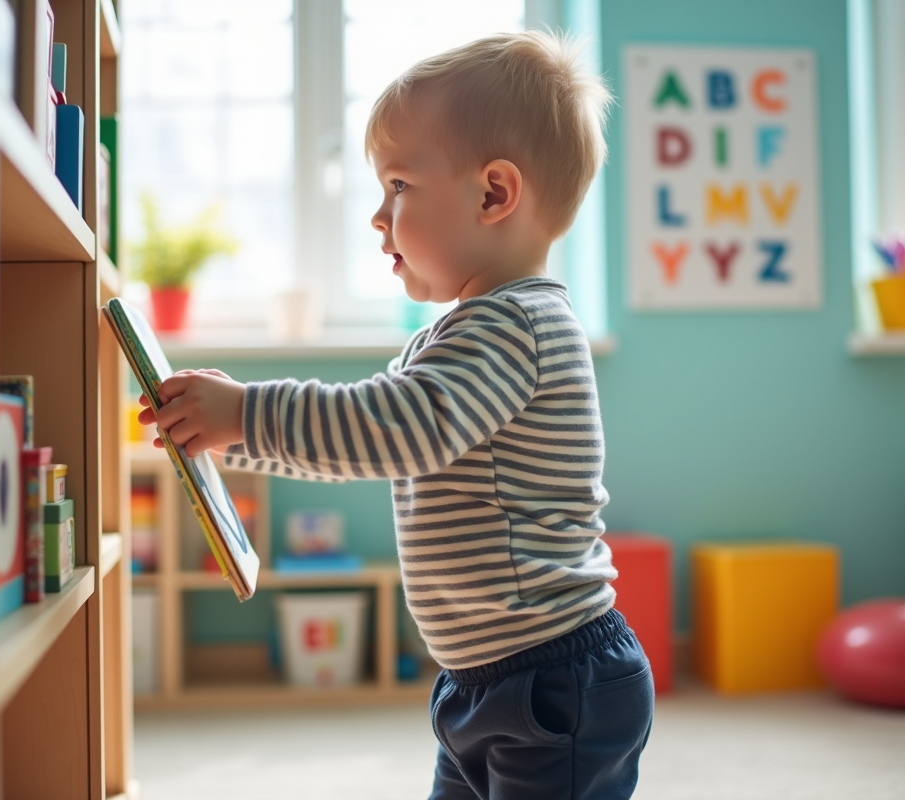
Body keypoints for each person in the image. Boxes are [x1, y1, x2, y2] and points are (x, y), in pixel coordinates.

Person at [139, 30, 654, 800]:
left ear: (494, 194)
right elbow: (362, 439)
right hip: (484, 677)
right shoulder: (455, 335)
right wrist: (231, 434)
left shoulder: (516, 327)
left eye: (400, 187)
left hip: (553, 680)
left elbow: (391, 427)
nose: (380, 218)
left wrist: (244, 415)